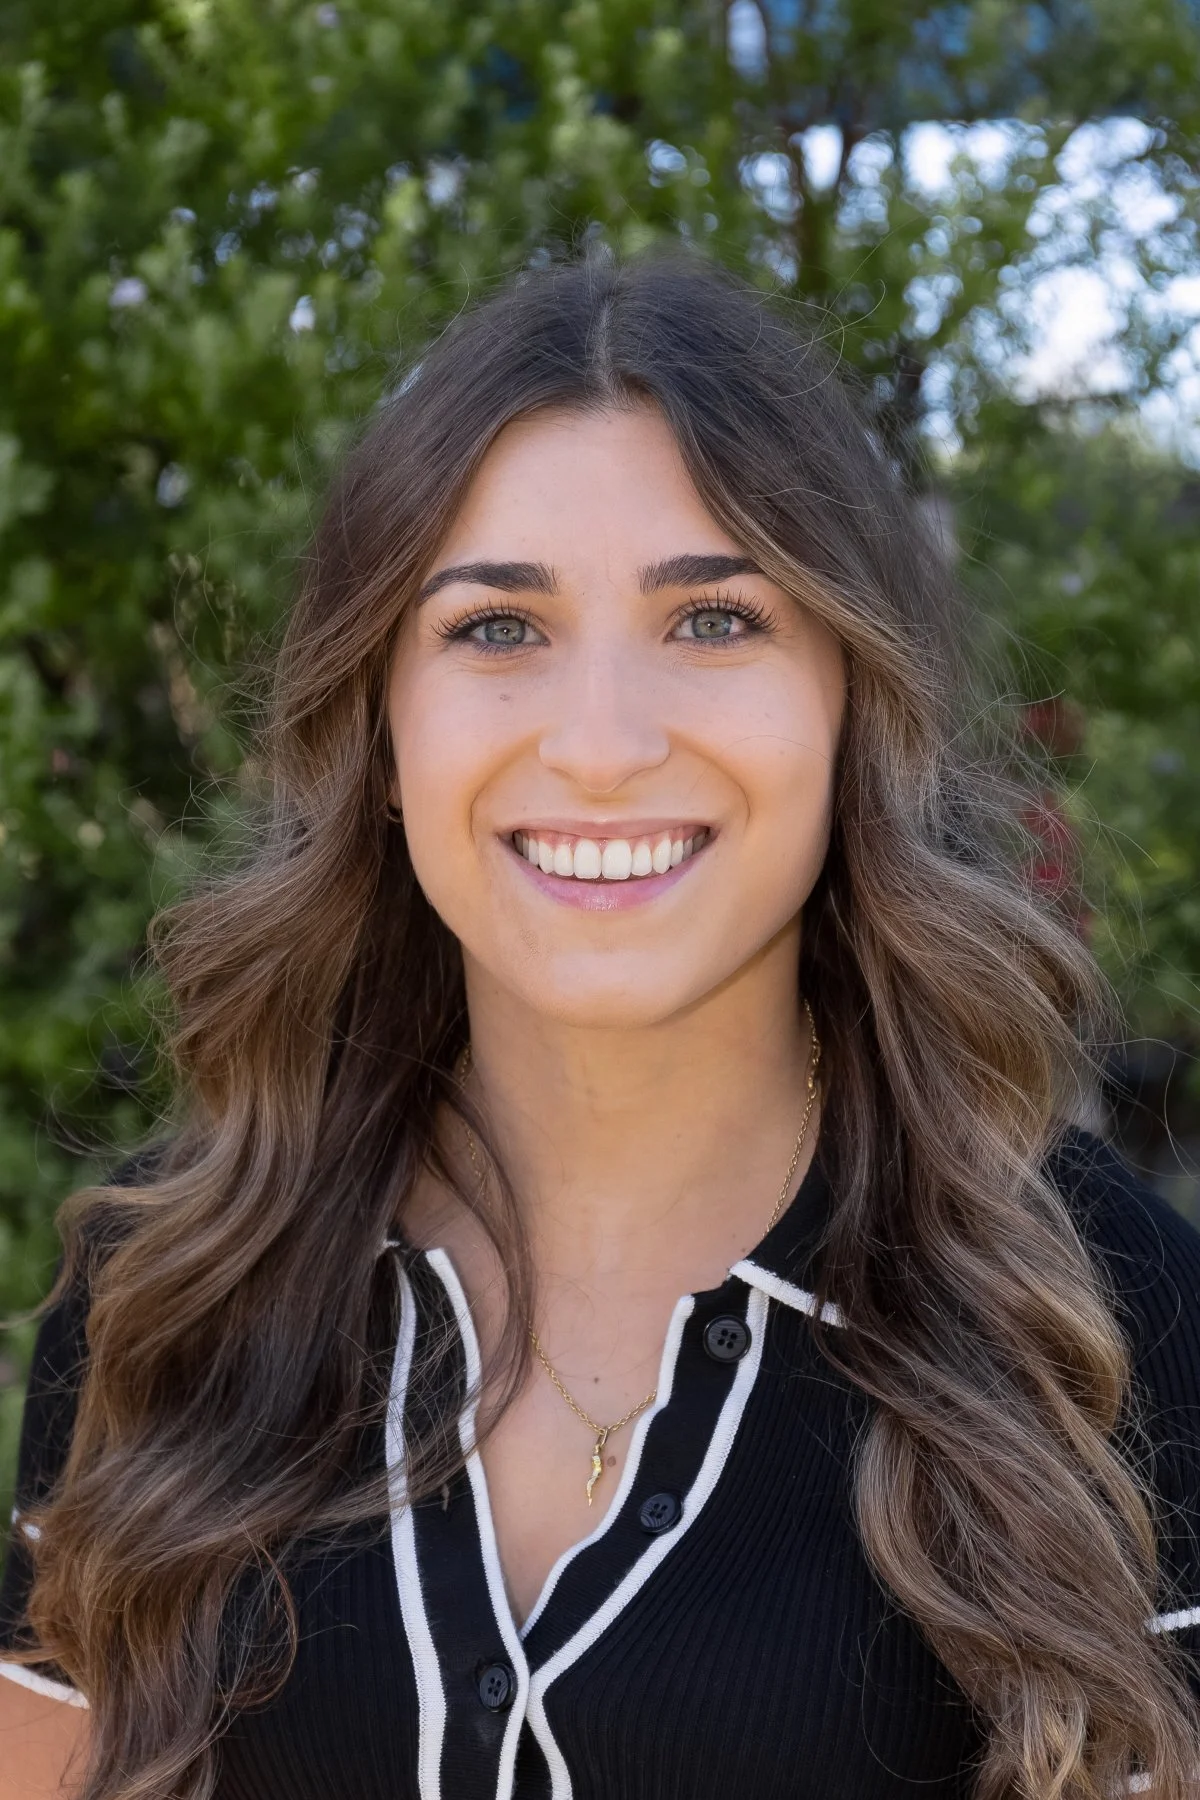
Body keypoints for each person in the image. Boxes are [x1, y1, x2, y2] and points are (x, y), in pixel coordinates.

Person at [2, 252, 1199, 1800]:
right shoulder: (173, 1289)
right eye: (499, 630)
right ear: (380, 726)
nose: (603, 746)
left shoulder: (1104, 1317)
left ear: (851, 702)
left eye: (713, 619)